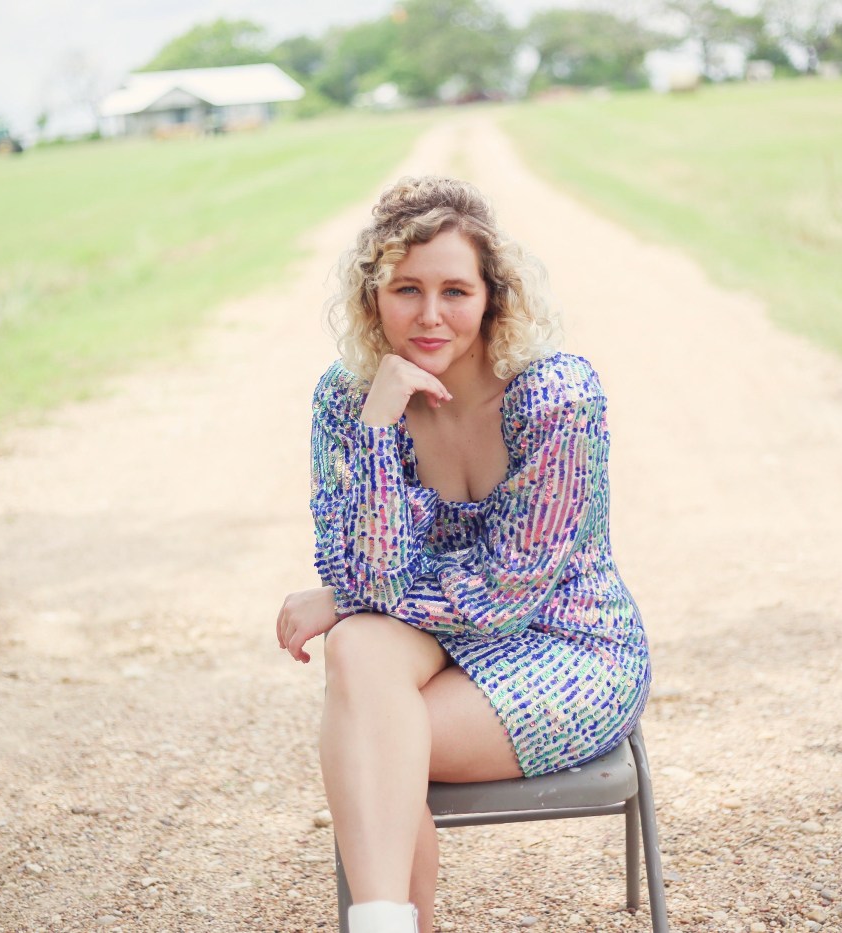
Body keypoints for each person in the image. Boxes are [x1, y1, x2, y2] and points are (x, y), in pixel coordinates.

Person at [275, 176, 651, 933]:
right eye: (406, 290)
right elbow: (358, 568)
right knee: (361, 654)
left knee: (373, 732)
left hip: (564, 646)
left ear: (492, 297)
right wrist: (379, 426)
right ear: (373, 297)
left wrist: (347, 599)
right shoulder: (348, 401)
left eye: (455, 290)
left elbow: (505, 592)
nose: (430, 315)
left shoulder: (556, 396)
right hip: (430, 642)